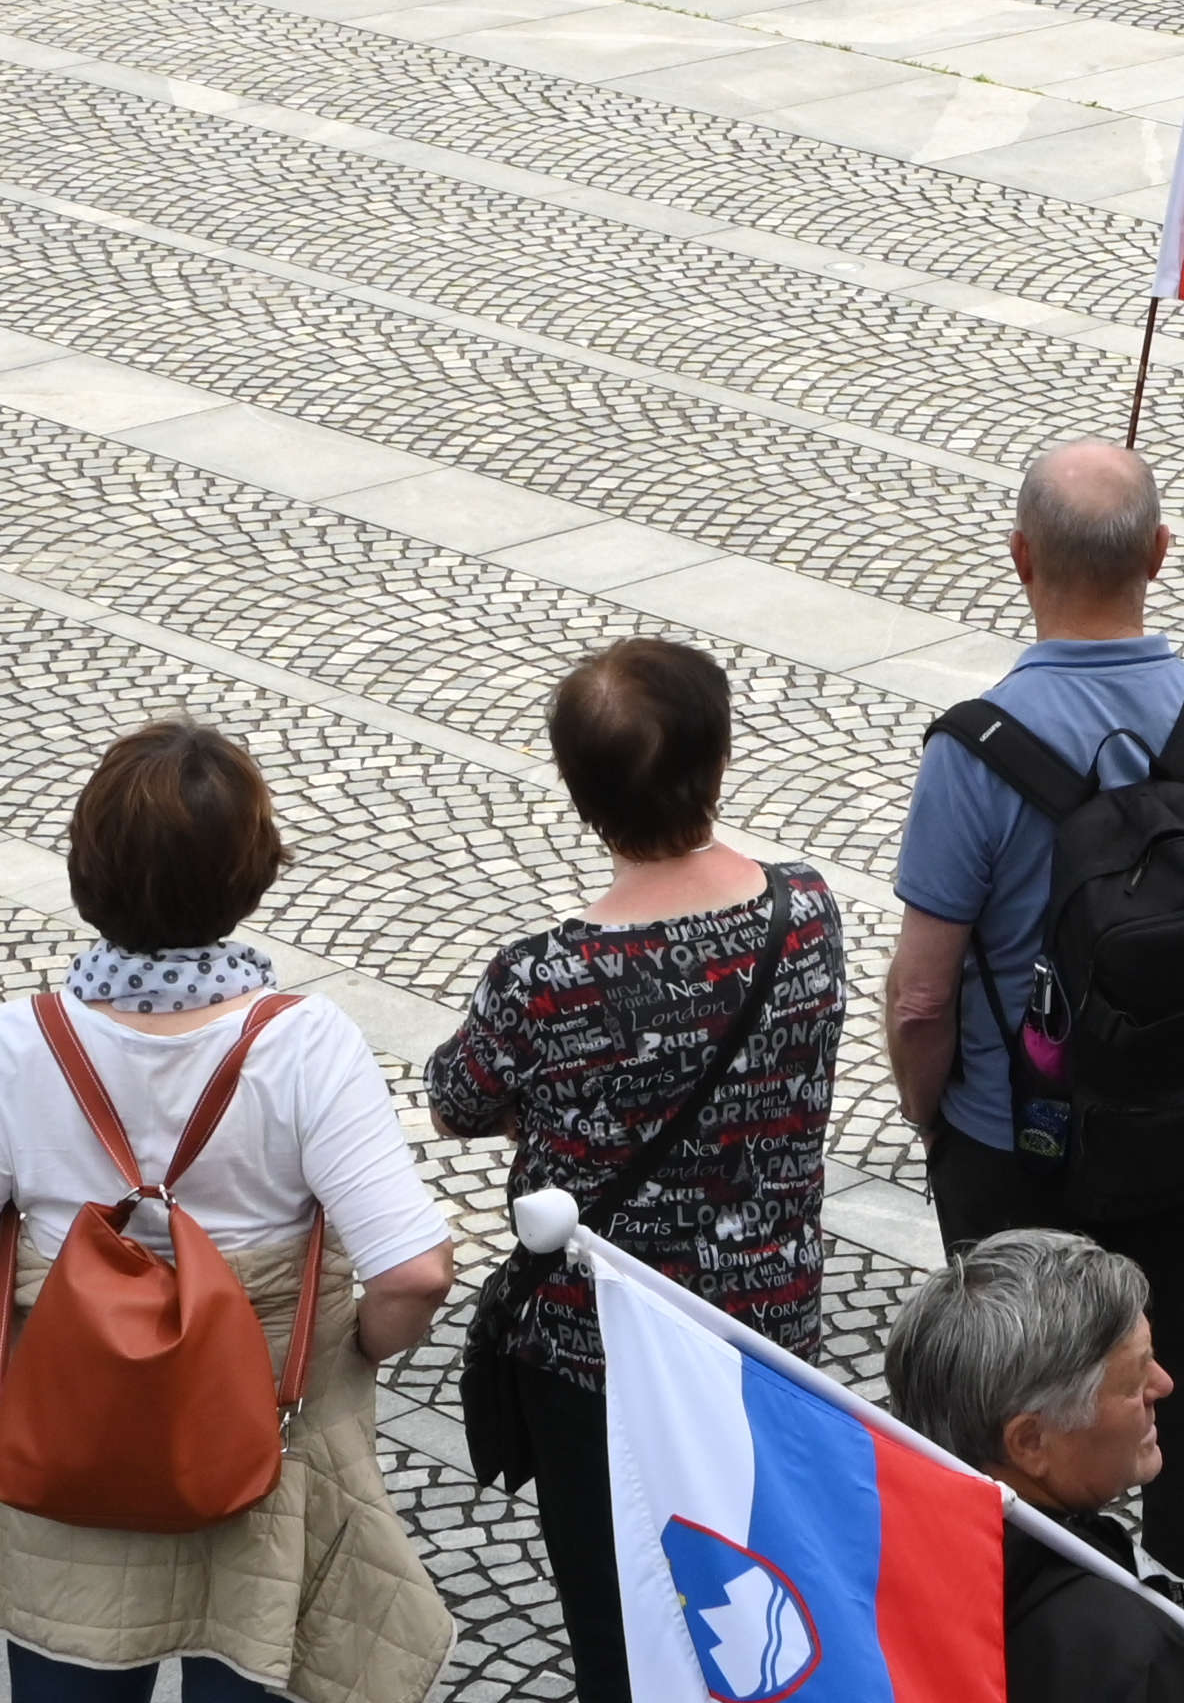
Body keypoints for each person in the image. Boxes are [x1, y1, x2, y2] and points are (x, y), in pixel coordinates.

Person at [0, 725, 459, 1703]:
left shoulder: (23, 1044)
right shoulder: (305, 1044)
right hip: (265, 1445)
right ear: (253, 871)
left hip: (77, 1460)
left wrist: (35, 1341)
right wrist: (345, 1347)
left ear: (86, 865)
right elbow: (414, 1273)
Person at [883, 445, 1184, 1655]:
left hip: (1018, 1145)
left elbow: (923, 998)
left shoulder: (974, 751)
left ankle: (1021, 1643)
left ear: (1021, 558)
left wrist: (939, 1117)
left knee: (1010, 1410)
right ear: (1161, 555)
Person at [429, 642, 846, 1703]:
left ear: (579, 795)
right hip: (764, 1333)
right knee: (768, 1600)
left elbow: (457, 1094)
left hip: (594, 1359)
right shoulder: (805, 916)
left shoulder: (546, 975)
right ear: (719, 758)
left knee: (625, 1622)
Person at [883, 1234, 1184, 1703]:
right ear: (1031, 1442)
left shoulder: (866, 1550)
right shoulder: (1125, 1658)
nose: (1165, 1384)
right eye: (1135, 1379)